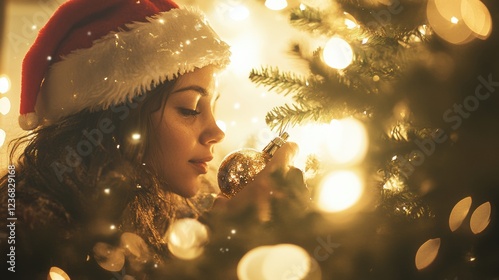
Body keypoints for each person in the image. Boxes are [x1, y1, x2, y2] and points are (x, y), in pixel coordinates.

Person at [0, 0, 299, 279]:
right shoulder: (22, 231)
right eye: (190, 109)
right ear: (115, 118)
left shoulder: (176, 217)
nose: (216, 133)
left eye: (213, 107)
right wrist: (225, 242)